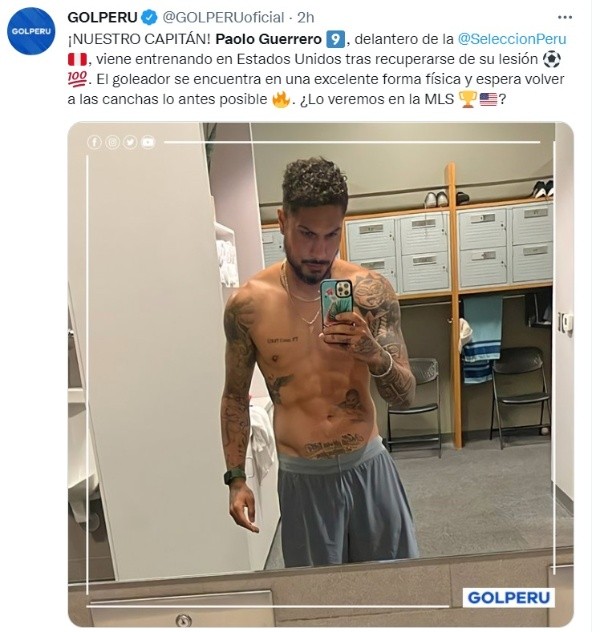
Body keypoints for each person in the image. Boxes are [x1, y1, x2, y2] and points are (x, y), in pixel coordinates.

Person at [220, 157, 419, 567]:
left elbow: (405, 396)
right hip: (303, 480)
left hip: (369, 468)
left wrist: (374, 354)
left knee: (393, 589)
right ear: (282, 221)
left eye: (332, 235)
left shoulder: (371, 292)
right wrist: (236, 479)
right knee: (320, 598)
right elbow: (235, 397)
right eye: (307, 234)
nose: (320, 251)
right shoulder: (248, 306)